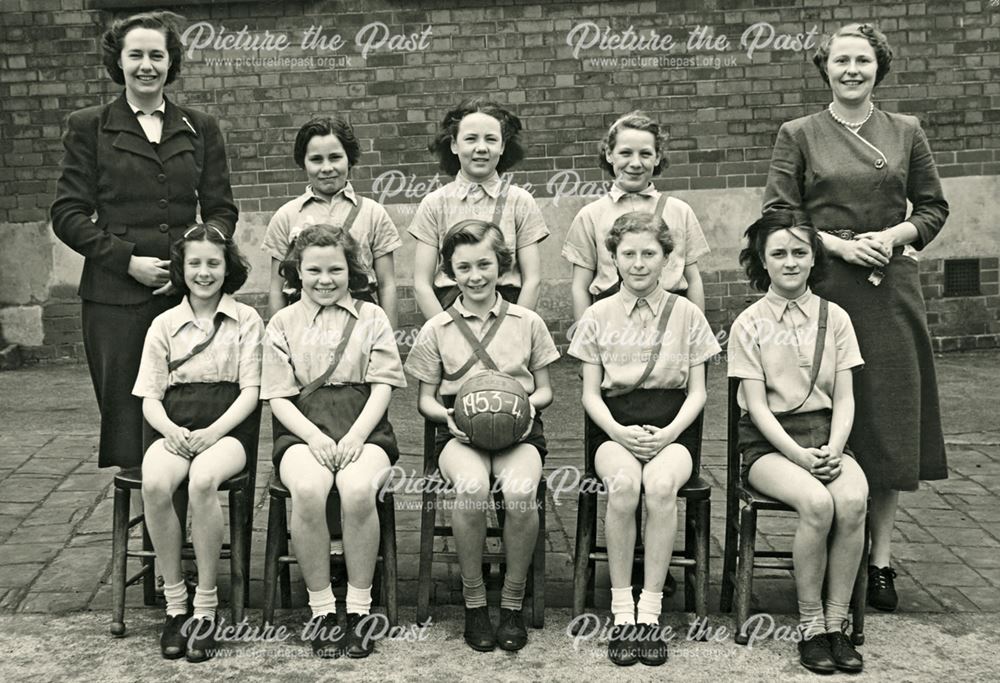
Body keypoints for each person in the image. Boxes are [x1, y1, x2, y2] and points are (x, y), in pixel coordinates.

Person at [762, 22, 949, 612]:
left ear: (878, 67)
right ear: (826, 68)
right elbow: (777, 211)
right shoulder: (800, 133)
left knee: (885, 420)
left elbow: (933, 206)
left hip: (888, 288)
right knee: (826, 410)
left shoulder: (906, 131)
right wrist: (837, 246)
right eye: (840, 60)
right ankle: (832, 531)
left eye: (862, 61)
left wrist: (894, 236)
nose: (851, 70)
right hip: (823, 283)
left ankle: (881, 560)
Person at [50, 10, 237, 470]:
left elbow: (220, 210)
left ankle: (193, 512)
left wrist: (193, 267)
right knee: (129, 416)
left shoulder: (199, 126)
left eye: (158, 55)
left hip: (186, 296)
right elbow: (67, 214)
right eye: (136, 55)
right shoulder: (89, 126)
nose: (147, 65)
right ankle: (154, 526)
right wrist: (127, 261)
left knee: (190, 405)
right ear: (119, 62)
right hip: (115, 300)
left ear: (172, 62)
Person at [568, 211, 720, 667]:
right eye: (628, 254)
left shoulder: (688, 313)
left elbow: (698, 392)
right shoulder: (597, 315)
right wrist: (618, 433)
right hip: (615, 428)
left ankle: (650, 610)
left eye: (649, 254)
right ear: (612, 258)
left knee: (659, 487)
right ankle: (621, 610)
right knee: (624, 486)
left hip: (674, 429)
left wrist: (671, 434)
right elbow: (590, 395)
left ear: (667, 259)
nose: (638, 263)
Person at [404, 220, 560, 652]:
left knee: (521, 492)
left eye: (484, 264)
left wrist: (529, 408)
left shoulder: (527, 321)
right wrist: (448, 416)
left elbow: (545, 388)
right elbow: (426, 399)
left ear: (501, 266)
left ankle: (511, 603)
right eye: (464, 267)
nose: (475, 275)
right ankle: (475, 604)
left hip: (520, 433)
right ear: (449, 272)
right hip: (459, 434)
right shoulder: (436, 328)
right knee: (471, 489)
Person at [728, 211, 868, 675]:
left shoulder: (838, 318)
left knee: (851, 501)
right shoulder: (749, 322)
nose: (790, 262)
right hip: (770, 446)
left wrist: (834, 446)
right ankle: (809, 626)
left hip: (829, 438)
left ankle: (836, 623)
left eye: (799, 252)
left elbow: (845, 398)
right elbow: (757, 407)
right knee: (816, 503)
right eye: (778, 253)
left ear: (814, 258)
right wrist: (798, 455)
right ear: (762, 262)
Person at [261, 224, 406, 659]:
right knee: (307, 489)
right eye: (314, 270)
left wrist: (359, 435)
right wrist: (313, 437)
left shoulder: (373, 316)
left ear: (352, 271)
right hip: (302, 429)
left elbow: (383, 384)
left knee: (359, 490)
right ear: (296, 273)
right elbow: (277, 396)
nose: (325, 280)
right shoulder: (282, 322)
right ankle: (323, 608)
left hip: (363, 423)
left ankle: (359, 609)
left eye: (336, 270)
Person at [133, 226, 262, 663]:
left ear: (228, 268)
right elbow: (149, 396)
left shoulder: (247, 320)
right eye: (194, 263)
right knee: (154, 484)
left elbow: (250, 391)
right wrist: (169, 429)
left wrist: (215, 432)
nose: (204, 272)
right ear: (181, 268)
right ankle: (176, 605)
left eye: (213, 263)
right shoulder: (163, 323)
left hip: (226, 431)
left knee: (204, 481)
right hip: (174, 426)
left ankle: (205, 607)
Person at [562, 111, 710, 319]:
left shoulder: (679, 211)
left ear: (657, 157)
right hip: (612, 320)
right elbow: (580, 286)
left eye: (645, 154)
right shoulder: (590, 215)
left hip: (670, 319)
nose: (635, 163)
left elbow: (693, 280)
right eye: (625, 153)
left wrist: (697, 335)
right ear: (609, 154)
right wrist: (586, 339)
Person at [410, 99, 549, 318]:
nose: (481, 148)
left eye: (491, 139)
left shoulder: (520, 201)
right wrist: (445, 332)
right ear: (454, 145)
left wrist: (516, 328)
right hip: (450, 312)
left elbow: (532, 280)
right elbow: (421, 284)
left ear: (502, 146)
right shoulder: (435, 203)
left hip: (508, 312)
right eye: (471, 139)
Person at [263, 116, 402, 326]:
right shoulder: (287, 215)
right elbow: (277, 288)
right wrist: (278, 343)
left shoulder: (373, 213)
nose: (326, 168)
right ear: (304, 162)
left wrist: (387, 342)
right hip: (302, 325)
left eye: (335, 157)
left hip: (359, 323)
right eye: (316, 159)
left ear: (349, 158)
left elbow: (387, 284)